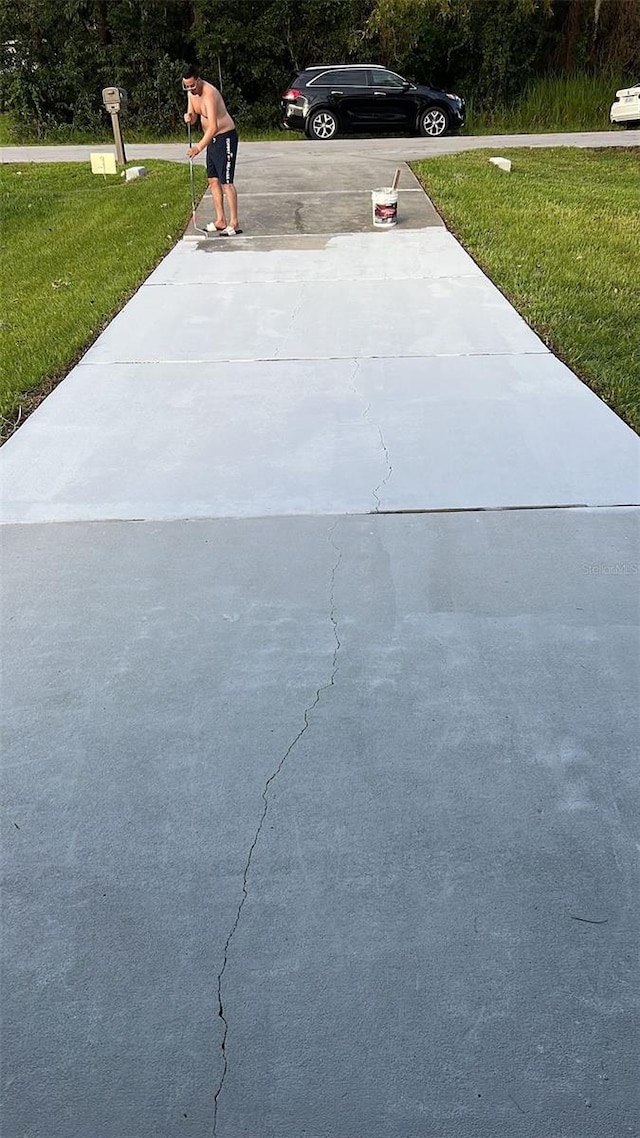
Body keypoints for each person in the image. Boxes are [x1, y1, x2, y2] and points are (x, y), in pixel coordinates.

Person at [183, 63, 241, 235]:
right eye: (187, 86)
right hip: (212, 140)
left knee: (226, 182)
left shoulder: (210, 94)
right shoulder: (190, 94)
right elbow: (193, 118)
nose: (191, 89)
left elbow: (214, 126)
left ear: (198, 80)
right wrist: (190, 117)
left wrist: (199, 147)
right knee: (213, 180)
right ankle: (220, 220)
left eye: (193, 85)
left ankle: (234, 222)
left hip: (225, 137)